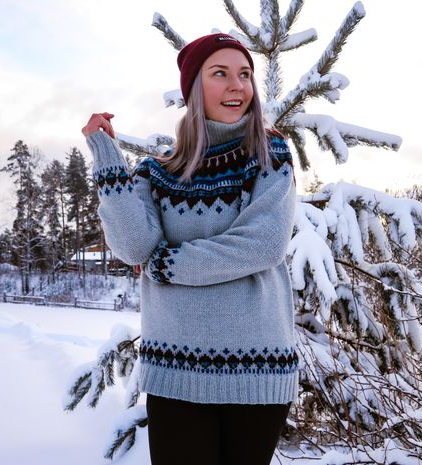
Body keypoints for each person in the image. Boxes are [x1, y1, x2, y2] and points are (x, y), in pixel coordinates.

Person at [82, 33, 298, 465]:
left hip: (256, 371)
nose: (237, 85)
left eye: (245, 74)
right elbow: (134, 246)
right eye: (220, 73)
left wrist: (166, 264)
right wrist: (106, 156)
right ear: (193, 88)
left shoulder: (269, 153)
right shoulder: (157, 172)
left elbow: (263, 244)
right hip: (174, 372)